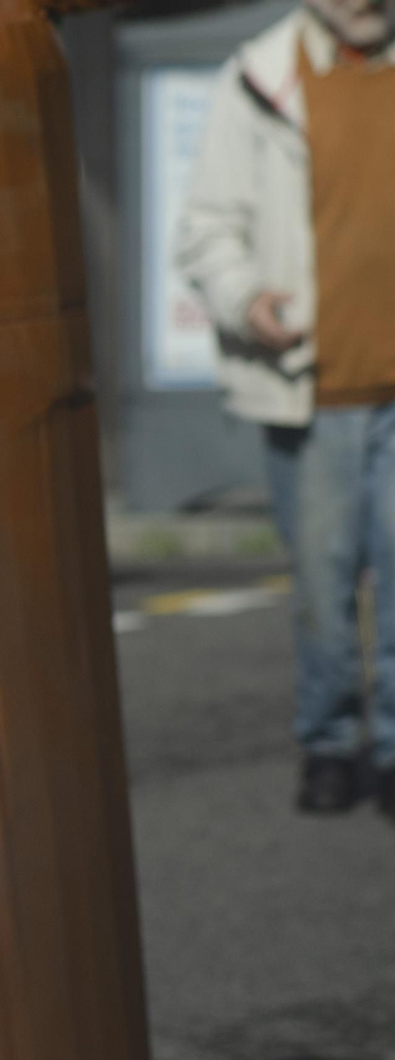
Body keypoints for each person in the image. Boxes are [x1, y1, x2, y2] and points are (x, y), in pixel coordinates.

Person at [176, 0, 395, 815]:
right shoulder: (261, 76)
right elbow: (205, 229)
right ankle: (329, 744)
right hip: (314, 384)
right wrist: (244, 298)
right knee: (324, 591)